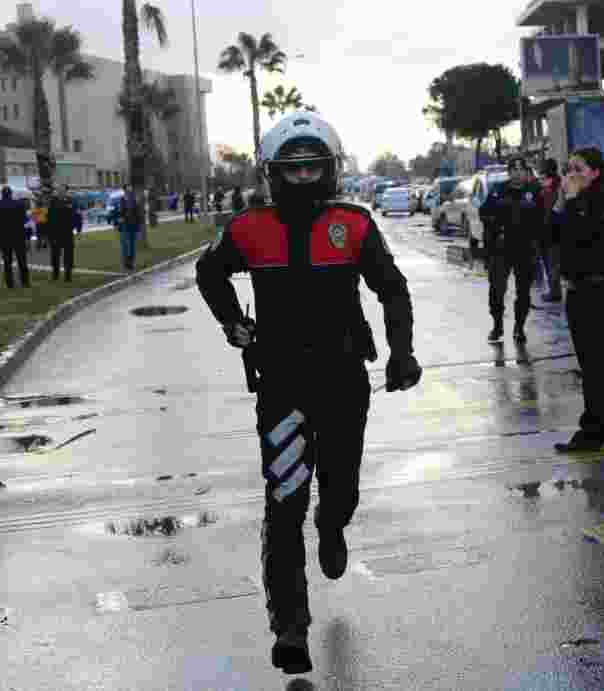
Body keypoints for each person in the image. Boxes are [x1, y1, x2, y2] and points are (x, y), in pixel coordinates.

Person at [195, 112, 422, 676]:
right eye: (290, 168)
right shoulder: (248, 228)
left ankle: (334, 524)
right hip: (281, 387)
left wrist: (402, 353)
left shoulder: (356, 224)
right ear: (273, 172)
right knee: (283, 505)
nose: (301, 177)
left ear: (330, 169)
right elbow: (209, 272)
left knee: (340, 489)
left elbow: (393, 290)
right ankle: (290, 628)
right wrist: (233, 323)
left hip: (345, 381)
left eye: (312, 166)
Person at [551, 147, 604, 453]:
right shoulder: (574, 202)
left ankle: (593, 429)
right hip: (578, 289)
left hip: (596, 290)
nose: (572, 175)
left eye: (579, 169)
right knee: (594, 363)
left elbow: (583, 235)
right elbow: (552, 235)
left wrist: (571, 203)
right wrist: (559, 205)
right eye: (569, 169)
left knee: (594, 364)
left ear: (595, 172)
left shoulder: (602, 201)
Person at [479, 156, 544, 344]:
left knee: (523, 292)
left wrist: (535, 239)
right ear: (509, 172)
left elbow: (541, 218)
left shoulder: (533, 191)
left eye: (520, 169)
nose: (517, 172)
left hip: (524, 249)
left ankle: (519, 327)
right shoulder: (498, 190)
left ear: (526, 172)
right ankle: (497, 325)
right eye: (513, 169)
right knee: (497, 290)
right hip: (501, 249)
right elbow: (484, 212)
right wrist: (495, 225)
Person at [538, 158, 564, 302]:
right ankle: (554, 290)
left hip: (552, 228)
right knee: (550, 261)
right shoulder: (550, 184)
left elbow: (554, 208)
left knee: (552, 262)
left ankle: (555, 292)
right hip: (548, 228)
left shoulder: (555, 185)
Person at [0, 187, 31, 288]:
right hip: (18, 235)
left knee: (7, 261)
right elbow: (25, 220)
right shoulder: (19, 205)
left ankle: (9, 283)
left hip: (4, 237)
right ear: (11, 194)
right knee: (22, 260)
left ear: (2, 194)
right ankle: (25, 282)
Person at [47, 184, 79, 282]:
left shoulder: (71, 201)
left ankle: (68, 275)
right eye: (59, 190)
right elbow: (49, 215)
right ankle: (55, 274)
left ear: (66, 191)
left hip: (67, 231)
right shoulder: (53, 201)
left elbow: (75, 214)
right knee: (55, 254)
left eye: (62, 190)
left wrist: (77, 227)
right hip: (55, 232)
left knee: (68, 254)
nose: (60, 191)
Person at [117, 185, 142, 271]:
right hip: (124, 226)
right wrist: (120, 221)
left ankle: (130, 263)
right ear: (124, 191)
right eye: (128, 190)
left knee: (132, 246)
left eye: (130, 190)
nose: (129, 192)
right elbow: (120, 213)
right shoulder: (122, 200)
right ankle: (125, 263)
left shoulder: (135, 200)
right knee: (125, 246)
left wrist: (138, 228)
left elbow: (138, 214)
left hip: (133, 225)